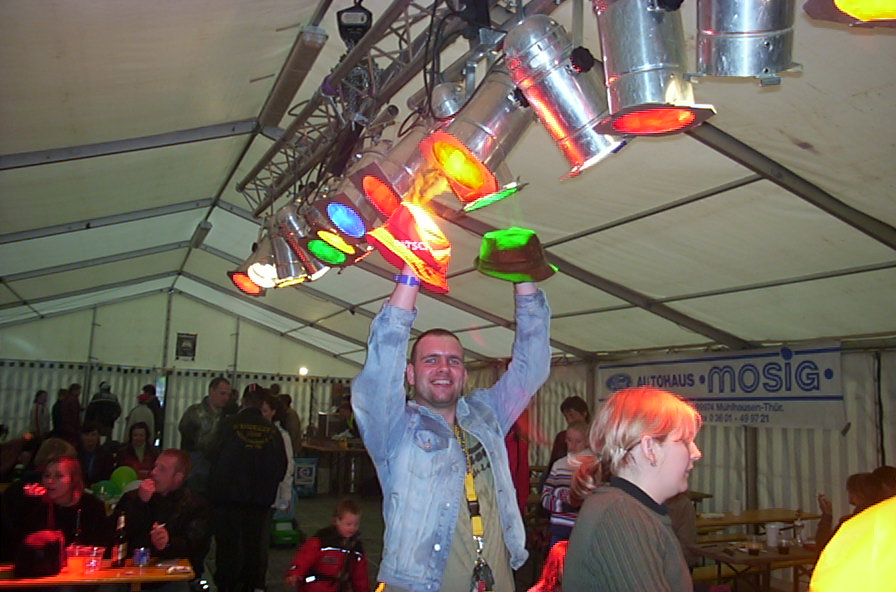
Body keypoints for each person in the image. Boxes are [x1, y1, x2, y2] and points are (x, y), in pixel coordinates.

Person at [351, 264, 552, 591]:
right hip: (423, 584)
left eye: (454, 360)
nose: (444, 368)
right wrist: (411, 273)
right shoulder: (394, 430)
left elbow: (532, 366)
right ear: (410, 374)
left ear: (464, 375)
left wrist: (523, 275)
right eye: (430, 360)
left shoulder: (486, 416)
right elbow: (378, 373)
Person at [563, 386, 703, 592]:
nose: (696, 453)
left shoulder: (630, 509)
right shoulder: (621, 516)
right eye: (685, 441)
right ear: (649, 449)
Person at [208, 383, 287, 592]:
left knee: (228, 547)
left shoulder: (227, 425)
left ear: (243, 401)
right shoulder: (273, 431)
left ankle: (226, 585)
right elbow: (281, 467)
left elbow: (211, 454)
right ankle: (249, 585)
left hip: (228, 501)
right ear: (261, 404)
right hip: (259, 503)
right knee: (253, 547)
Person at [116, 449, 209, 580]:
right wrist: (139, 503)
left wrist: (167, 543)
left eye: (162, 470)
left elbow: (195, 546)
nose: (153, 472)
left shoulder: (195, 506)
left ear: (177, 478)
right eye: (154, 467)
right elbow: (116, 533)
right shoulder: (133, 497)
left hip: (172, 576)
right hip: (130, 571)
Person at [10, 456, 112, 550]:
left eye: (58, 476)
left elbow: (100, 545)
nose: (50, 481)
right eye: (47, 476)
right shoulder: (37, 504)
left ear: (73, 480)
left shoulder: (92, 506)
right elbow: (20, 544)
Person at [286, 498, 369, 592]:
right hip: (314, 588)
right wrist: (295, 574)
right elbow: (303, 558)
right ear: (336, 521)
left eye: (356, 524)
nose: (352, 528)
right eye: (348, 524)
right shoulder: (322, 541)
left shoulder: (356, 549)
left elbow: (360, 577)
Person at [258, 393, 296, 592]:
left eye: (265, 410)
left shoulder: (281, 436)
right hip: (253, 496)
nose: (262, 414)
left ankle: (259, 581)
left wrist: (285, 496)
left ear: (273, 412)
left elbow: (288, 468)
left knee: (261, 541)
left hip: (270, 496)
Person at [540, 421, 593, 547]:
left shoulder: (593, 466)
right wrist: (564, 506)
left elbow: (595, 498)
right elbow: (545, 496)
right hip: (559, 527)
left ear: (587, 442)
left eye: (578, 441)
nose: (572, 445)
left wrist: (560, 495)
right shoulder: (558, 465)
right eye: (569, 440)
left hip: (583, 530)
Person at [178, 376, 231, 494]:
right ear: (211, 391)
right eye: (222, 393)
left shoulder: (227, 416)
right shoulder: (194, 413)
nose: (226, 398)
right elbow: (187, 438)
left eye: (228, 394)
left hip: (216, 472)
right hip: (195, 469)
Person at [815, 471, 887, 548]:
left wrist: (827, 516)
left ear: (855, 495)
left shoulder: (850, 523)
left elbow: (825, 546)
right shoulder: (888, 519)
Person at [544, 396, 590, 478]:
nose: (569, 421)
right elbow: (553, 463)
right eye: (566, 417)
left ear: (584, 413)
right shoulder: (562, 437)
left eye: (572, 416)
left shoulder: (596, 436)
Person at [78, 420, 115, 486]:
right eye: (86, 435)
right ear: (81, 436)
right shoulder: (75, 453)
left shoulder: (106, 455)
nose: (90, 438)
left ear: (98, 436)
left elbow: (107, 477)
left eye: (93, 434)